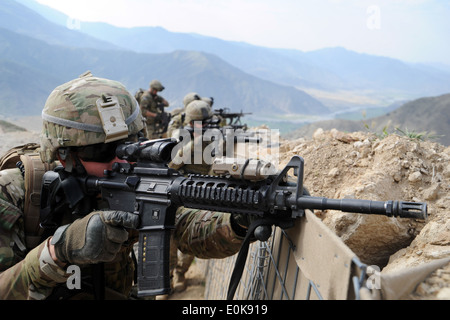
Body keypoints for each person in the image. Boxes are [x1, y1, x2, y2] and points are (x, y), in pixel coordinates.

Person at [0, 72, 250, 300]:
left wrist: (239, 220)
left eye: (130, 145)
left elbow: (188, 228)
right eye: (100, 150)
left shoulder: (131, 182)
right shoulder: (13, 195)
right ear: (63, 155)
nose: (121, 160)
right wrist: (58, 252)